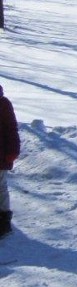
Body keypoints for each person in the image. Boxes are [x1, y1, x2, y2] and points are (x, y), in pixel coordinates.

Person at [0, 84, 21, 238]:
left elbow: (11, 129)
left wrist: (12, 152)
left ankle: (3, 220)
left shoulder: (3, 104)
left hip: (1, 155)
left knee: (0, 188)